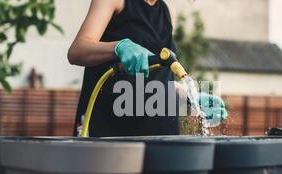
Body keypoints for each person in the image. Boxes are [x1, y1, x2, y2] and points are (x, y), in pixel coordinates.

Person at [68, 0, 227, 137]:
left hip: (160, 135)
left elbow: (159, 78)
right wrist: (119, 47)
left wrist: (190, 99)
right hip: (110, 134)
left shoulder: (168, 12)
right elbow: (77, 51)